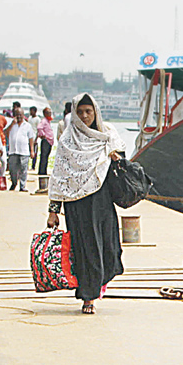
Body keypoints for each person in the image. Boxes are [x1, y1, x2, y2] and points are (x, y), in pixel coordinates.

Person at [46, 93, 125, 314]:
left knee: (110, 248)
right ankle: (88, 297)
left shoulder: (107, 136)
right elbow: (59, 177)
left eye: (88, 111)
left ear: (96, 112)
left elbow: (122, 160)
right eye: (79, 112)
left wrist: (115, 155)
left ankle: (99, 283)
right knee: (87, 250)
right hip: (77, 204)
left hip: (102, 201)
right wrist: (53, 211)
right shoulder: (67, 142)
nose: (84, 116)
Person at [4, 107, 36, 191]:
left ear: (23, 115)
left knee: (23, 169)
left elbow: (31, 138)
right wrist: (11, 124)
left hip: (24, 151)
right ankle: (14, 183)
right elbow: (5, 133)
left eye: (20, 115)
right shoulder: (11, 124)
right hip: (13, 151)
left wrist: (32, 150)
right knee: (12, 170)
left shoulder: (28, 126)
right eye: (17, 115)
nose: (18, 117)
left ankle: (22, 186)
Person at [37, 107, 54, 175]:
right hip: (46, 140)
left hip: (49, 141)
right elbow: (39, 127)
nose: (50, 114)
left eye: (50, 113)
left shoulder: (48, 121)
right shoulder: (44, 121)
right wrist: (43, 135)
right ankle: (42, 172)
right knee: (44, 156)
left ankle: (44, 170)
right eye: (48, 113)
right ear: (45, 114)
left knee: (46, 156)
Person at [28, 106, 41, 170]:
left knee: (35, 153)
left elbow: (39, 130)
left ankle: (33, 166)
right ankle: (27, 165)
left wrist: (36, 139)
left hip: (35, 138)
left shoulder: (38, 119)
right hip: (29, 138)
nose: (31, 112)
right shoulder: (29, 118)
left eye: (32, 111)